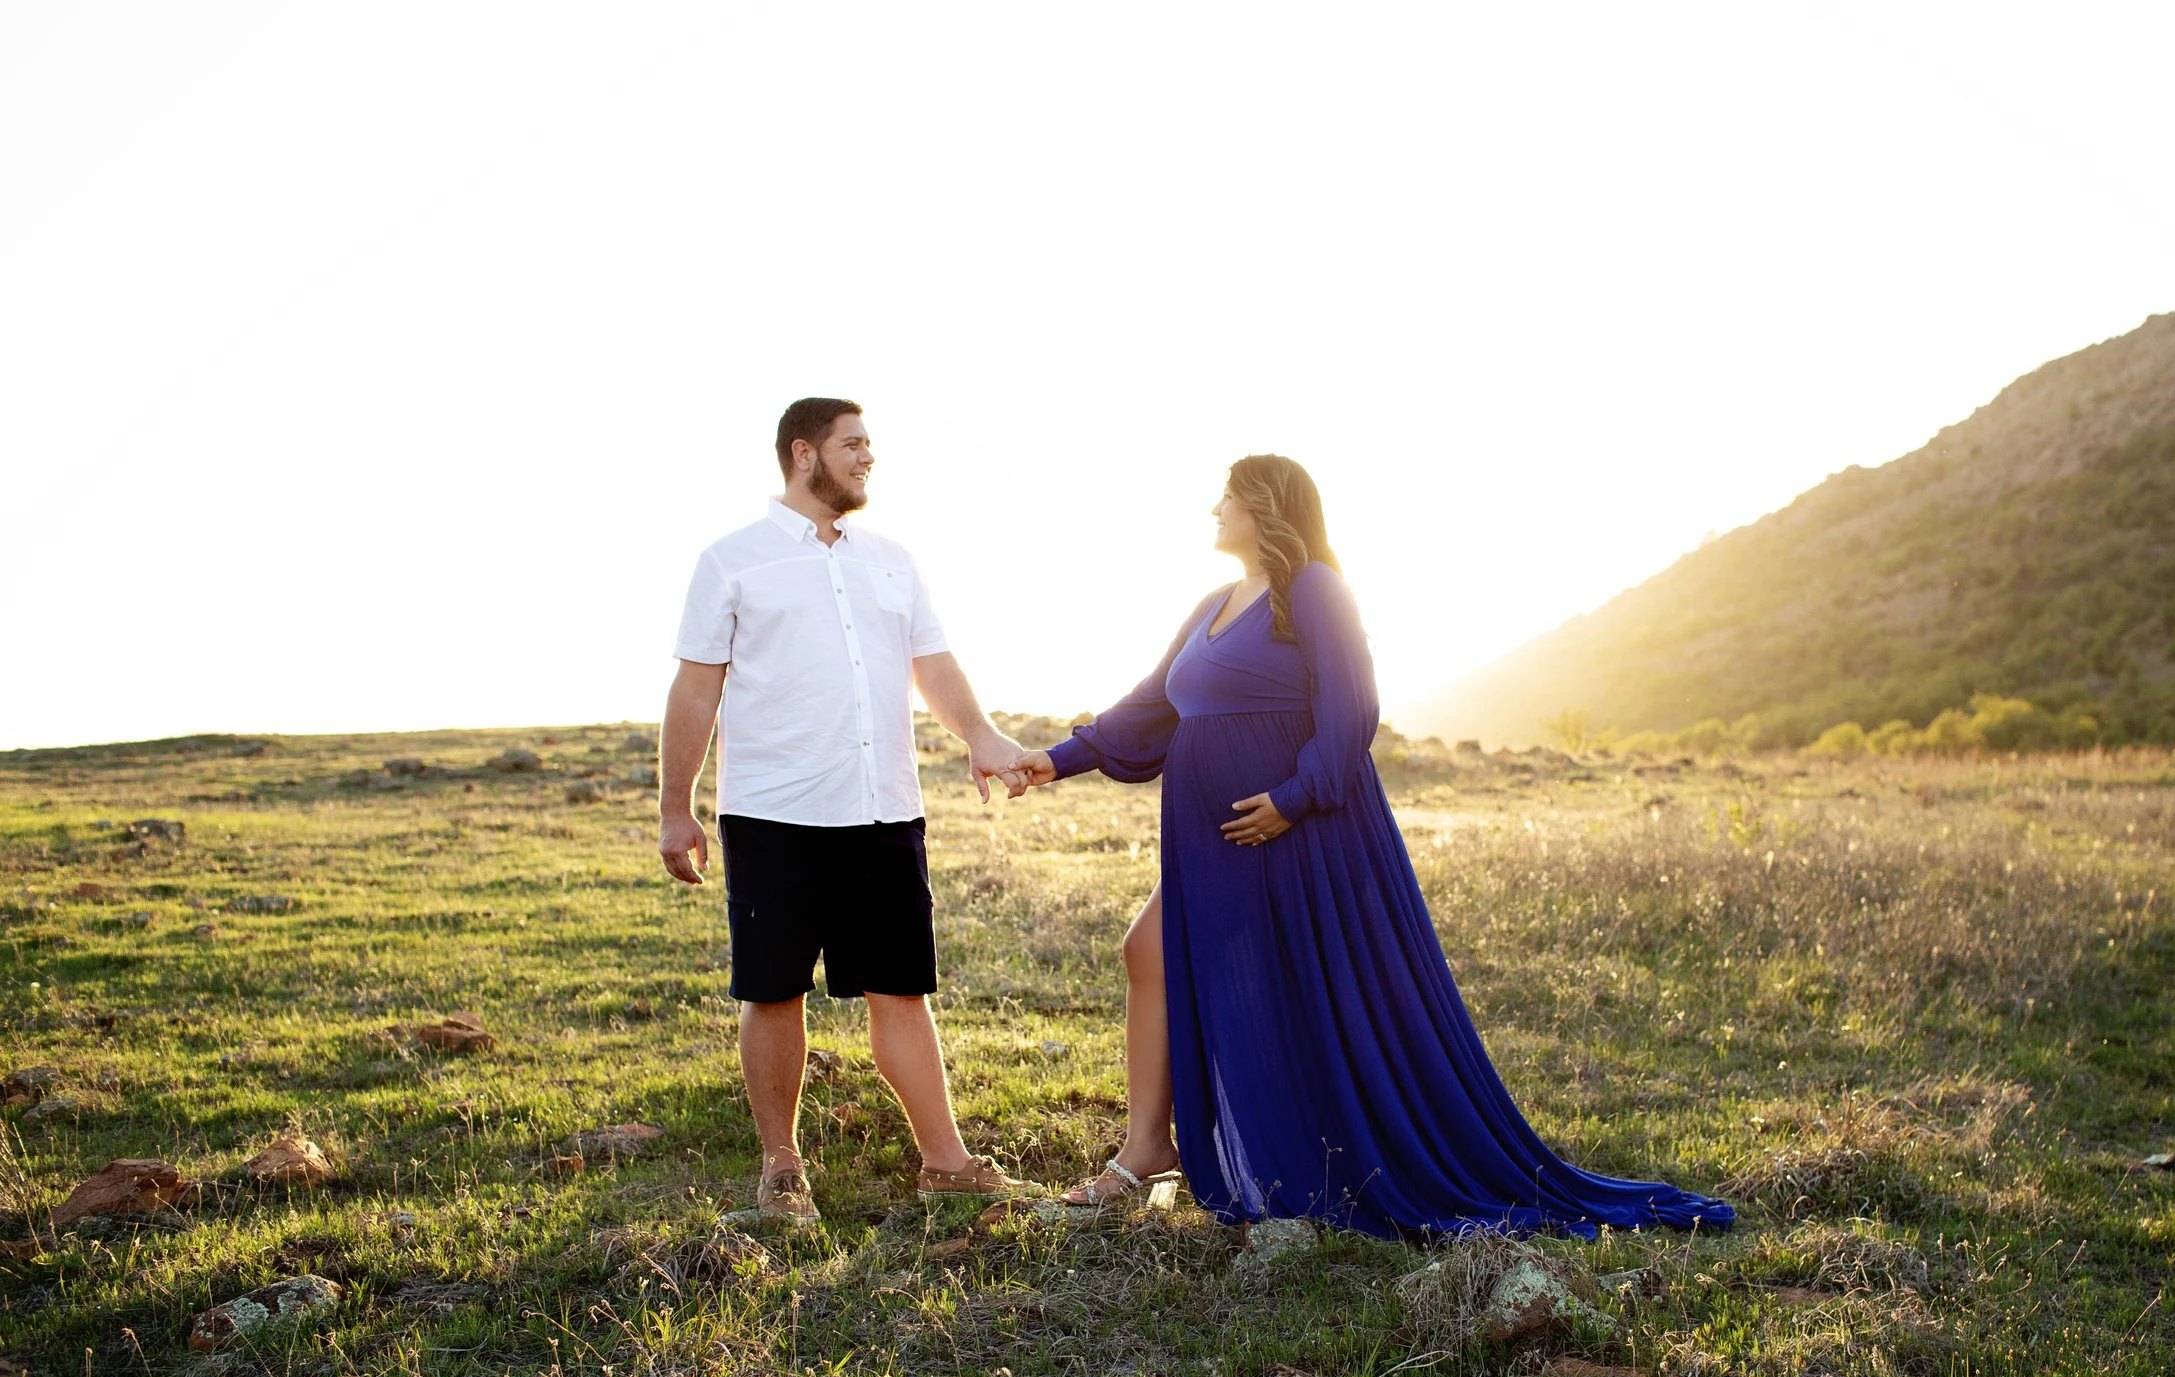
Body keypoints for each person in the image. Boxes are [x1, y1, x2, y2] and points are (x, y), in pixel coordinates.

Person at [1011, 455, 1733, 1238]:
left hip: (1301, 832)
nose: (1215, 508)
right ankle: (1147, 1146)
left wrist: (1292, 800)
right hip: (1218, 840)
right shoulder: (1213, 604)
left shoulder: (1314, 588)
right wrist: (1055, 760)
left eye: (1229, 495)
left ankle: (1291, 1153)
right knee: (1146, 951)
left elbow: (1352, 708)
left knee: (1294, 985)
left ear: (1266, 506)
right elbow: (1150, 707)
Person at [660, 397, 1040, 1224]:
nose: (869, 457)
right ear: (805, 454)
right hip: (775, 815)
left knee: (902, 990)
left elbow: (931, 664)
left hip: (883, 812)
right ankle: (782, 1165)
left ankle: (946, 1160)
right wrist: (673, 807)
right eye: (853, 444)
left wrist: (981, 735)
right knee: (772, 992)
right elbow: (696, 687)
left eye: (870, 444)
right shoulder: (733, 561)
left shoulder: (894, 560)